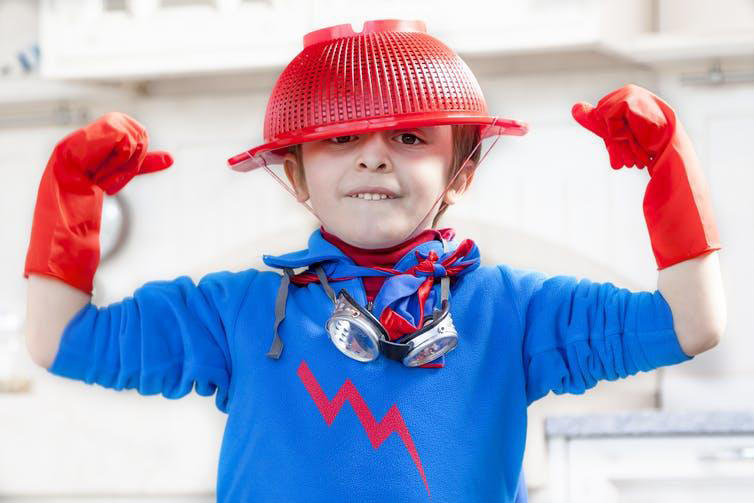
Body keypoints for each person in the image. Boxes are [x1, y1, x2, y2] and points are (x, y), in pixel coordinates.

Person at [23, 19, 726, 502]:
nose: (373, 154)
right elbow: (62, 342)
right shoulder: (234, 310)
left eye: (412, 135)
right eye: (339, 138)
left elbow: (690, 324)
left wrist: (669, 168)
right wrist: (72, 194)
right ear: (294, 175)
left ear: (463, 169)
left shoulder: (516, 311)